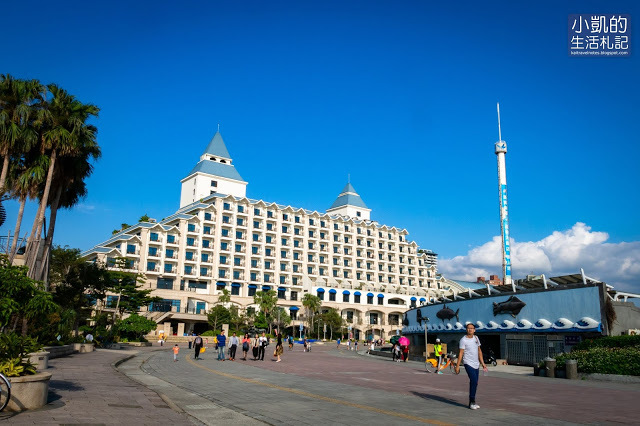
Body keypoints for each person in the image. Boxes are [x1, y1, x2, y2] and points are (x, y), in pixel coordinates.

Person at [455, 323, 488, 410]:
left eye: (472, 328)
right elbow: (461, 353)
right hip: (468, 363)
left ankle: (473, 401)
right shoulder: (463, 340)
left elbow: (479, 351)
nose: (470, 329)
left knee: (475, 382)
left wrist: (483, 363)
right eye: (468, 328)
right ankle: (471, 402)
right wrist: (457, 366)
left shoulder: (476, 338)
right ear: (466, 329)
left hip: (476, 364)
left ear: (474, 330)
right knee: (473, 381)